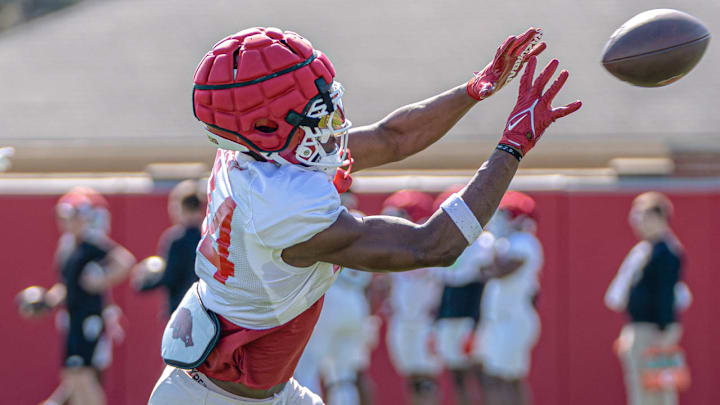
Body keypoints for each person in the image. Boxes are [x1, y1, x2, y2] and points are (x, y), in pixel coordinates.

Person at [149, 25, 581, 405]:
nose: (332, 118)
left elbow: (392, 139)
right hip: (219, 399)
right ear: (264, 128)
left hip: (255, 389)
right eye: (316, 110)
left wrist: (474, 88)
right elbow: (430, 245)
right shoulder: (283, 201)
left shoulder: (256, 152)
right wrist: (511, 147)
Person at [16, 187, 136, 405]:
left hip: (89, 318)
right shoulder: (67, 246)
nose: (66, 222)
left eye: (71, 216)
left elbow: (124, 261)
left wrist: (101, 279)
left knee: (83, 374)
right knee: (73, 375)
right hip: (73, 317)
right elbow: (66, 285)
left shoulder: (91, 242)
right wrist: (48, 301)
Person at [604, 192, 690, 405]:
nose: (636, 221)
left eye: (641, 215)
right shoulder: (646, 250)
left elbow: (665, 294)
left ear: (658, 217)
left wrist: (663, 333)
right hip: (643, 329)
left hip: (654, 331)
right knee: (644, 389)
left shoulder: (666, 251)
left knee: (658, 389)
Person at [472, 191, 543, 405]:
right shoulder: (504, 242)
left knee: (504, 377)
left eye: (504, 214)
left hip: (513, 320)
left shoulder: (524, 242)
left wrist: (491, 250)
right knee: (498, 375)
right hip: (498, 320)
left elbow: (499, 271)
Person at [431, 185, 495, 405]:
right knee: (456, 374)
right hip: (449, 311)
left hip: (472, 311)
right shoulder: (441, 243)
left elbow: (482, 277)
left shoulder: (484, 243)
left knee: (480, 373)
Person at [381, 190, 443, 405]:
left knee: (426, 377)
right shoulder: (392, 247)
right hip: (402, 318)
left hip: (425, 319)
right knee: (411, 376)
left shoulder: (434, 244)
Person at [132, 180, 205, 314]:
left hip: (181, 310)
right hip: (205, 309)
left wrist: (145, 282)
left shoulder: (176, 239)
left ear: (181, 208)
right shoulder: (209, 236)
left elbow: (169, 276)